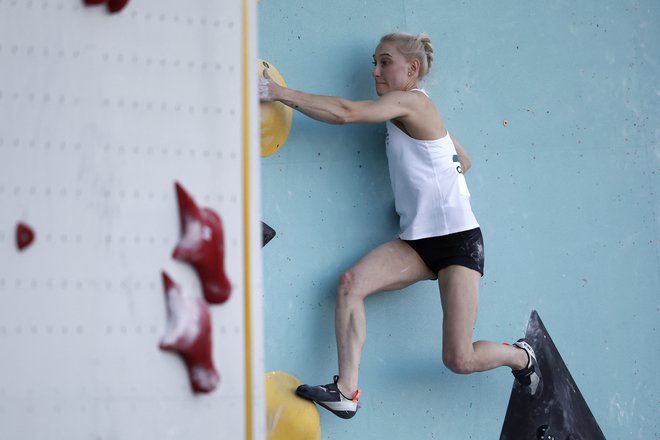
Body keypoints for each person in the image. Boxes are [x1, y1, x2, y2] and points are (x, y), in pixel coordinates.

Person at [259, 32, 542, 419]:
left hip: (459, 243)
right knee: (350, 284)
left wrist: (277, 92)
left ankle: (520, 357)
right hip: (417, 242)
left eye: (385, 62)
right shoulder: (409, 112)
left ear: (412, 69)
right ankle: (345, 391)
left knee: (458, 358)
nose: (375, 71)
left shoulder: (411, 103)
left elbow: (345, 112)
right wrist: (425, 193)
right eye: (373, 62)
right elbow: (464, 159)